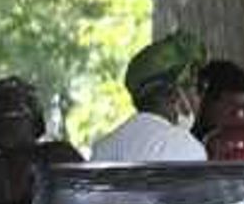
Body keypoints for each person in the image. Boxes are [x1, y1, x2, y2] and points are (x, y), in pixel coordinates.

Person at [89, 34, 209, 164]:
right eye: (198, 88)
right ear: (174, 94)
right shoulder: (185, 147)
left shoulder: (103, 148)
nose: (200, 99)